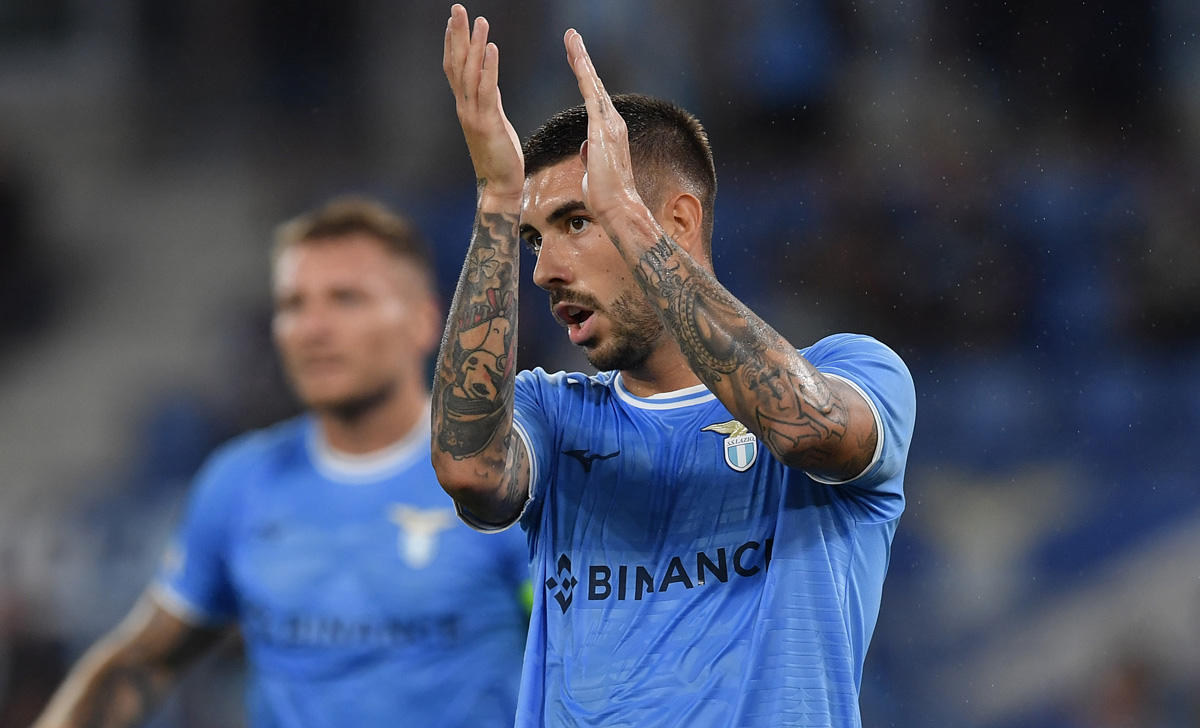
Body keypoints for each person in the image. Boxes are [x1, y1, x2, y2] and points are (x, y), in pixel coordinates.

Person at [434, 5, 916, 727]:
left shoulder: (858, 369)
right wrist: (497, 206)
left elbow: (808, 431)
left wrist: (628, 217)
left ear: (679, 222)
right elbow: (469, 471)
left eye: (577, 222)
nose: (544, 270)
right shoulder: (551, 413)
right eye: (533, 239)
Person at [33, 197, 530, 728]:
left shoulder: (503, 477)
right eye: (293, 305)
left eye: (347, 298)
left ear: (425, 321)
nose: (313, 329)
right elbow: (144, 662)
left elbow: (578, 655)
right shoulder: (241, 481)